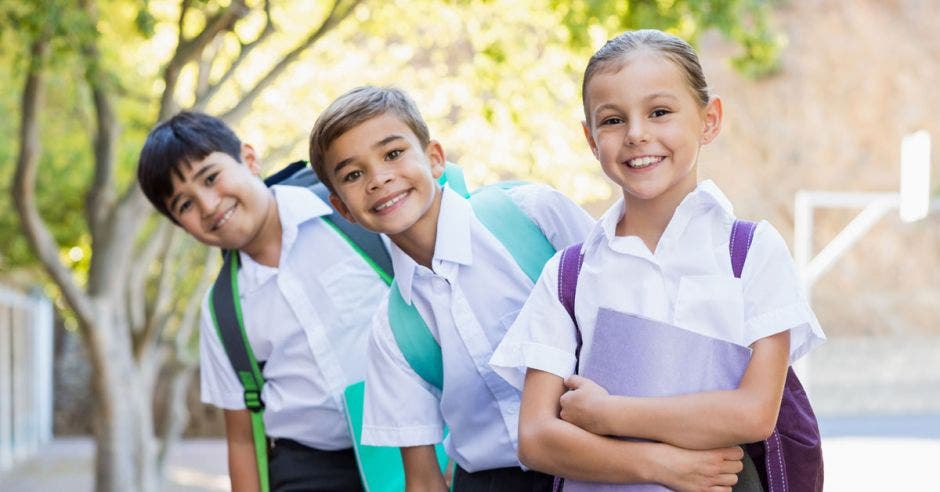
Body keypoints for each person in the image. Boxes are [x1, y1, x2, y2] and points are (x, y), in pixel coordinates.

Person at [308, 85, 747, 492]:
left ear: (435, 158)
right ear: (342, 209)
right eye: (352, 175)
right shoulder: (393, 330)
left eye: (394, 154)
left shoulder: (530, 215)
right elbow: (422, 477)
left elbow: (639, 310)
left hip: (617, 463)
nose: (378, 178)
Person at [490, 29, 827, 491]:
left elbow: (753, 414)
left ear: (709, 120)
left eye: (660, 112)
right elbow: (536, 438)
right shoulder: (570, 274)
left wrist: (609, 414)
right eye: (612, 121)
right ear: (590, 139)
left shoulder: (749, 253)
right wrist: (660, 465)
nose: (636, 134)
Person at [137, 111, 387, 491]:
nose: (207, 204)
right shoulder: (223, 312)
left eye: (210, 177)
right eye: (184, 205)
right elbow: (240, 437)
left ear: (249, 159)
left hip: (413, 439)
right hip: (310, 466)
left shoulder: (350, 215)